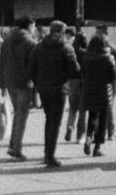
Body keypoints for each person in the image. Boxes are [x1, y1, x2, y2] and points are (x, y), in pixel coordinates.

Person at [29, 20, 81, 168]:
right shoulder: (67, 48)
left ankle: (47, 152)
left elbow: (31, 69)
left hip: (44, 89)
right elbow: (74, 72)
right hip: (59, 90)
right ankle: (50, 155)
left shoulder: (39, 47)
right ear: (63, 32)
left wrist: (39, 83)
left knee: (48, 119)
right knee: (55, 122)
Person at [0, 15, 36, 160]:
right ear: (28, 26)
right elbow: (33, 65)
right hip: (24, 83)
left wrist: (2, 83)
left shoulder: (7, 40)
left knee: (18, 113)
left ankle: (12, 144)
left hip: (10, 82)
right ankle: (16, 148)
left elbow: (1, 63)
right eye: (33, 25)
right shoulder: (30, 41)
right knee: (21, 116)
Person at [81, 33, 116, 157]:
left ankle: (88, 137)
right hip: (104, 91)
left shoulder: (87, 57)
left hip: (90, 90)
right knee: (103, 119)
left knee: (92, 116)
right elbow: (113, 76)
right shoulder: (108, 57)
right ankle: (97, 147)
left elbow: (83, 73)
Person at [95, 23, 116, 140]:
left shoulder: (92, 49)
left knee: (96, 107)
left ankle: (96, 131)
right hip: (110, 81)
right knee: (109, 106)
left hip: (95, 81)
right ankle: (110, 132)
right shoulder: (114, 49)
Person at [64, 31, 87, 144]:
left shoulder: (70, 51)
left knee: (73, 108)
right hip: (84, 82)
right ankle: (80, 135)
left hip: (72, 81)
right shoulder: (86, 53)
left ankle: (70, 126)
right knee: (82, 110)